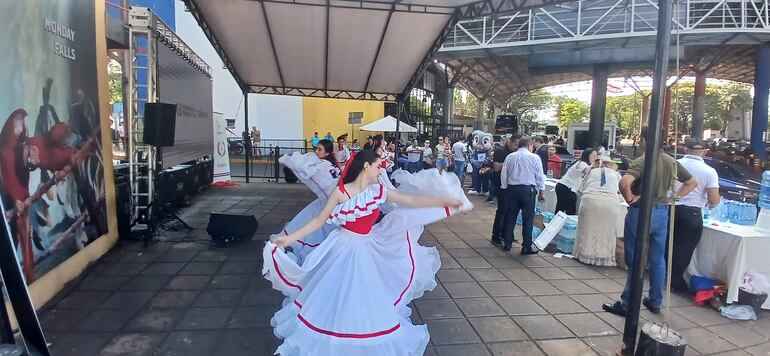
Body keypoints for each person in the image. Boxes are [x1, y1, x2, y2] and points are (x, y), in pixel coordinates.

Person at [264, 150, 470, 355]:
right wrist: (288, 239)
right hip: (342, 248)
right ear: (366, 166)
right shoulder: (341, 192)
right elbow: (319, 221)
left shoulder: (377, 191)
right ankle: (335, 335)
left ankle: (359, 331)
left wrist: (444, 202)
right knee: (338, 291)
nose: (380, 170)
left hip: (367, 246)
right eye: (378, 165)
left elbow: (411, 201)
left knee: (364, 291)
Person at [603, 126, 697, 316]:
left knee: (635, 258)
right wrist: (673, 198)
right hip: (662, 211)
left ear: (644, 140)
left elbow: (624, 182)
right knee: (657, 259)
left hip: (641, 212)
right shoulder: (671, 161)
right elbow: (692, 182)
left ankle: (627, 303)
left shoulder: (643, 161)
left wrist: (630, 198)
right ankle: (655, 300)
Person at [277, 139, 341, 263]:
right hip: (330, 202)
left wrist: (286, 159)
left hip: (331, 203)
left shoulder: (319, 165)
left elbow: (299, 165)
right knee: (318, 231)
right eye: (316, 148)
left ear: (327, 153)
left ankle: (321, 258)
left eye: (320, 149)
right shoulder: (326, 165)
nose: (316, 152)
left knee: (321, 231)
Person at [670, 140, 720, 292]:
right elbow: (713, 199)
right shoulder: (709, 171)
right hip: (691, 213)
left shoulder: (674, 164)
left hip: (669, 207)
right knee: (684, 248)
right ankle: (675, 280)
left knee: (667, 243)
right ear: (705, 151)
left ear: (685, 149)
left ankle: (661, 275)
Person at [572, 154, 625, 266]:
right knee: (607, 231)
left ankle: (584, 254)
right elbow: (622, 190)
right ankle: (603, 256)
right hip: (611, 204)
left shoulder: (591, 172)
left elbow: (580, 189)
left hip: (590, 201)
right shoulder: (616, 174)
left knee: (587, 229)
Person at [500, 137, 546, 254]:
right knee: (528, 219)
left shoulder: (510, 157)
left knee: (510, 216)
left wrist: (504, 187)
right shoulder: (535, 157)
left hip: (512, 189)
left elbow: (504, 174)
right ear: (529, 145)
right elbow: (540, 176)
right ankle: (526, 246)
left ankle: (508, 243)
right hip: (528, 190)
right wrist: (541, 191)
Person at [490, 135, 518, 247]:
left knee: (510, 211)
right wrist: (509, 163)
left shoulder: (516, 154)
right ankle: (495, 235)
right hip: (501, 184)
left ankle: (506, 234)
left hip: (512, 185)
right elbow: (496, 167)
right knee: (502, 210)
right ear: (509, 142)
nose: (517, 147)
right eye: (515, 144)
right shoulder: (501, 152)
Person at [554, 149, 594, 215]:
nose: (595, 158)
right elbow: (587, 172)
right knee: (570, 210)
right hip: (567, 188)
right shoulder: (583, 164)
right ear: (587, 156)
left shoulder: (578, 162)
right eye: (593, 156)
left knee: (560, 209)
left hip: (562, 186)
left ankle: (555, 224)